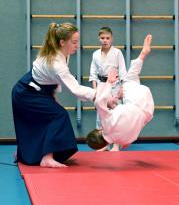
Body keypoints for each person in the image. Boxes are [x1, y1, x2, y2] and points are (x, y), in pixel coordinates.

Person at [12, 22, 96, 168]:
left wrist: (53, 98)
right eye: (74, 42)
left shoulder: (61, 53)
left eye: (78, 42)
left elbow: (52, 81)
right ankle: (46, 157)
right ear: (62, 42)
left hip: (35, 91)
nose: (77, 45)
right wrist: (101, 96)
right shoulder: (56, 62)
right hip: (26, 94)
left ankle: (24, 153)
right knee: (58, 115)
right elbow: (75, 89)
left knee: (50, 116)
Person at [86, 34, 154, 151]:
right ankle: (143, 53)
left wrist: (115, 103)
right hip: (137, 99)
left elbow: (131, 136)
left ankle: (143, 54)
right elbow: (99, 102)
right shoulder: (106, 122)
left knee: (131, 81)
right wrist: (108, 83)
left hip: (148, 112)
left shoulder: (124, 141)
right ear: (99, 130)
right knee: (129, 79)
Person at [89, 26, 127, 151]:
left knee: (116, 114)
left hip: (115, 86)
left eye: (107, 38)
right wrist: (94, 91)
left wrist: (122, 87)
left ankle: (116, 144)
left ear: (112, 39)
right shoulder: (95, 54)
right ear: (99, 39)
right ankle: (104, 144)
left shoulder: (117, 53)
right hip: (101, 85)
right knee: (100, 115)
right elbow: (93, 74)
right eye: (102, 38)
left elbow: (122, 71)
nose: (105, 40)